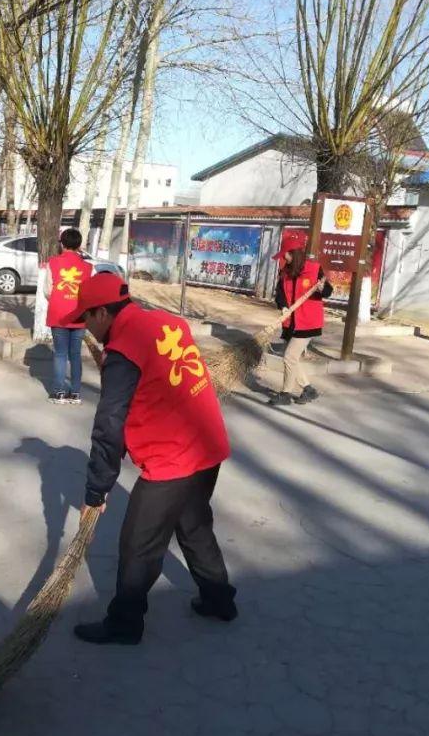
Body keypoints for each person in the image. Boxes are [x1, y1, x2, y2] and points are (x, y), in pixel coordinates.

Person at [69, 273, 237, 645]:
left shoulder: (124, 349)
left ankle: (125, 625)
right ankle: (219, 599)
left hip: (173, 458)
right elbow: (158, 384)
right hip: (208, 446)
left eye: (86, 318)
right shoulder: (165, 321)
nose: (85, 328)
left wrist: (96, 492)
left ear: (101, 313)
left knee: (138, 545)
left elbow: (108, 426)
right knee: (193, 525)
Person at [269, 231, 330, 407]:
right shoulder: (285, 272)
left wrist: (321, 288)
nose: (284, 258)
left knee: (289, 357)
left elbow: (328, 291)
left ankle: (285, 394)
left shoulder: (314, 268)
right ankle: (308, 389)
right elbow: (279, 294)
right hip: (291, 322)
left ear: (293, 254)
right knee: (293, 358)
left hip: (308, 322)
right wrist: (283, 307)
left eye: (286, 254)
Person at [43, 228, 93, 405]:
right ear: (79, 245)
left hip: (59, 314)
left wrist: (58, 300)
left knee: (60, 354)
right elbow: (89, 293)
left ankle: (58, 393)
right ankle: (75, 393)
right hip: (79, 315)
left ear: (62, 244)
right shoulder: (88, 267)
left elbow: (48, 290)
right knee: (75, 354)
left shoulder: (53, 262)